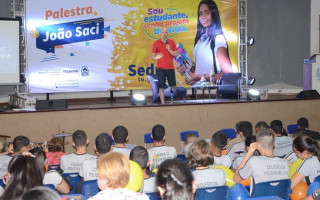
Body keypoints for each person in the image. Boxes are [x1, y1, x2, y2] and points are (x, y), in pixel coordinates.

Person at [177, 0, 233, 85]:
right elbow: (199, 72)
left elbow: (228, 74)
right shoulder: (199, 40)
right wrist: (188, 74)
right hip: (198, 93)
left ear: (213, 14)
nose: (203, 17)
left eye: (207, 12)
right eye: (200, 13)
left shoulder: (218, 39)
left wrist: (200, 77)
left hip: (213, 94)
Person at [233, 129, 289, 194]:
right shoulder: (284, 163)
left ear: (258, 145)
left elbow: (236, 179)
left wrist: (249, 153)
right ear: (274, 143)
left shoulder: (253, 162)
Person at [151, 26, 178, 104]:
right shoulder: (156, 43)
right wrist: (156, 57)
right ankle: (163, 104)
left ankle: (172, 101)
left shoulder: (172, 42)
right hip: (161, 69)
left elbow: (176, 55)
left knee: (172, 86)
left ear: (168, 33)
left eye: (166, 32)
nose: (164, 34)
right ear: (160, 33)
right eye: (163, 32)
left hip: (170, 68)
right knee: (161, 87)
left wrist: (169, 49)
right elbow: (153, 56)